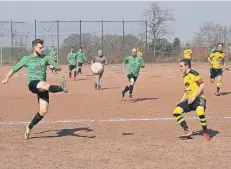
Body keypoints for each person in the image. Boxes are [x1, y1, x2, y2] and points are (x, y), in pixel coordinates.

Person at [1, 39, 68, 140]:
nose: (42, 49)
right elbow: (14, 69)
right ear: (34, 48)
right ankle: (61, 88)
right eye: (40, 47)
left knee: (43, 110)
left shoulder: (46, 58)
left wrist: (54, 68)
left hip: (42, 86)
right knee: (44, 84)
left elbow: (58, 68)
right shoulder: (27, 59)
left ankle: (29, 127)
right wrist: (6, 78)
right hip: (32, 83)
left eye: (42, 47)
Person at [172, 59, 210, 141]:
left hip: (199, 98)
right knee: (176, 112)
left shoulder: (194, 74)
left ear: (187, 66)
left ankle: (205, 131)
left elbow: (202, 87)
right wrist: (181, 100)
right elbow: (187, 91)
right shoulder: (185, 76)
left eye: (181, 66)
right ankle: (187, 130)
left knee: (200, 112)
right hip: (189, 99)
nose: (180, 68)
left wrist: (194, 97)